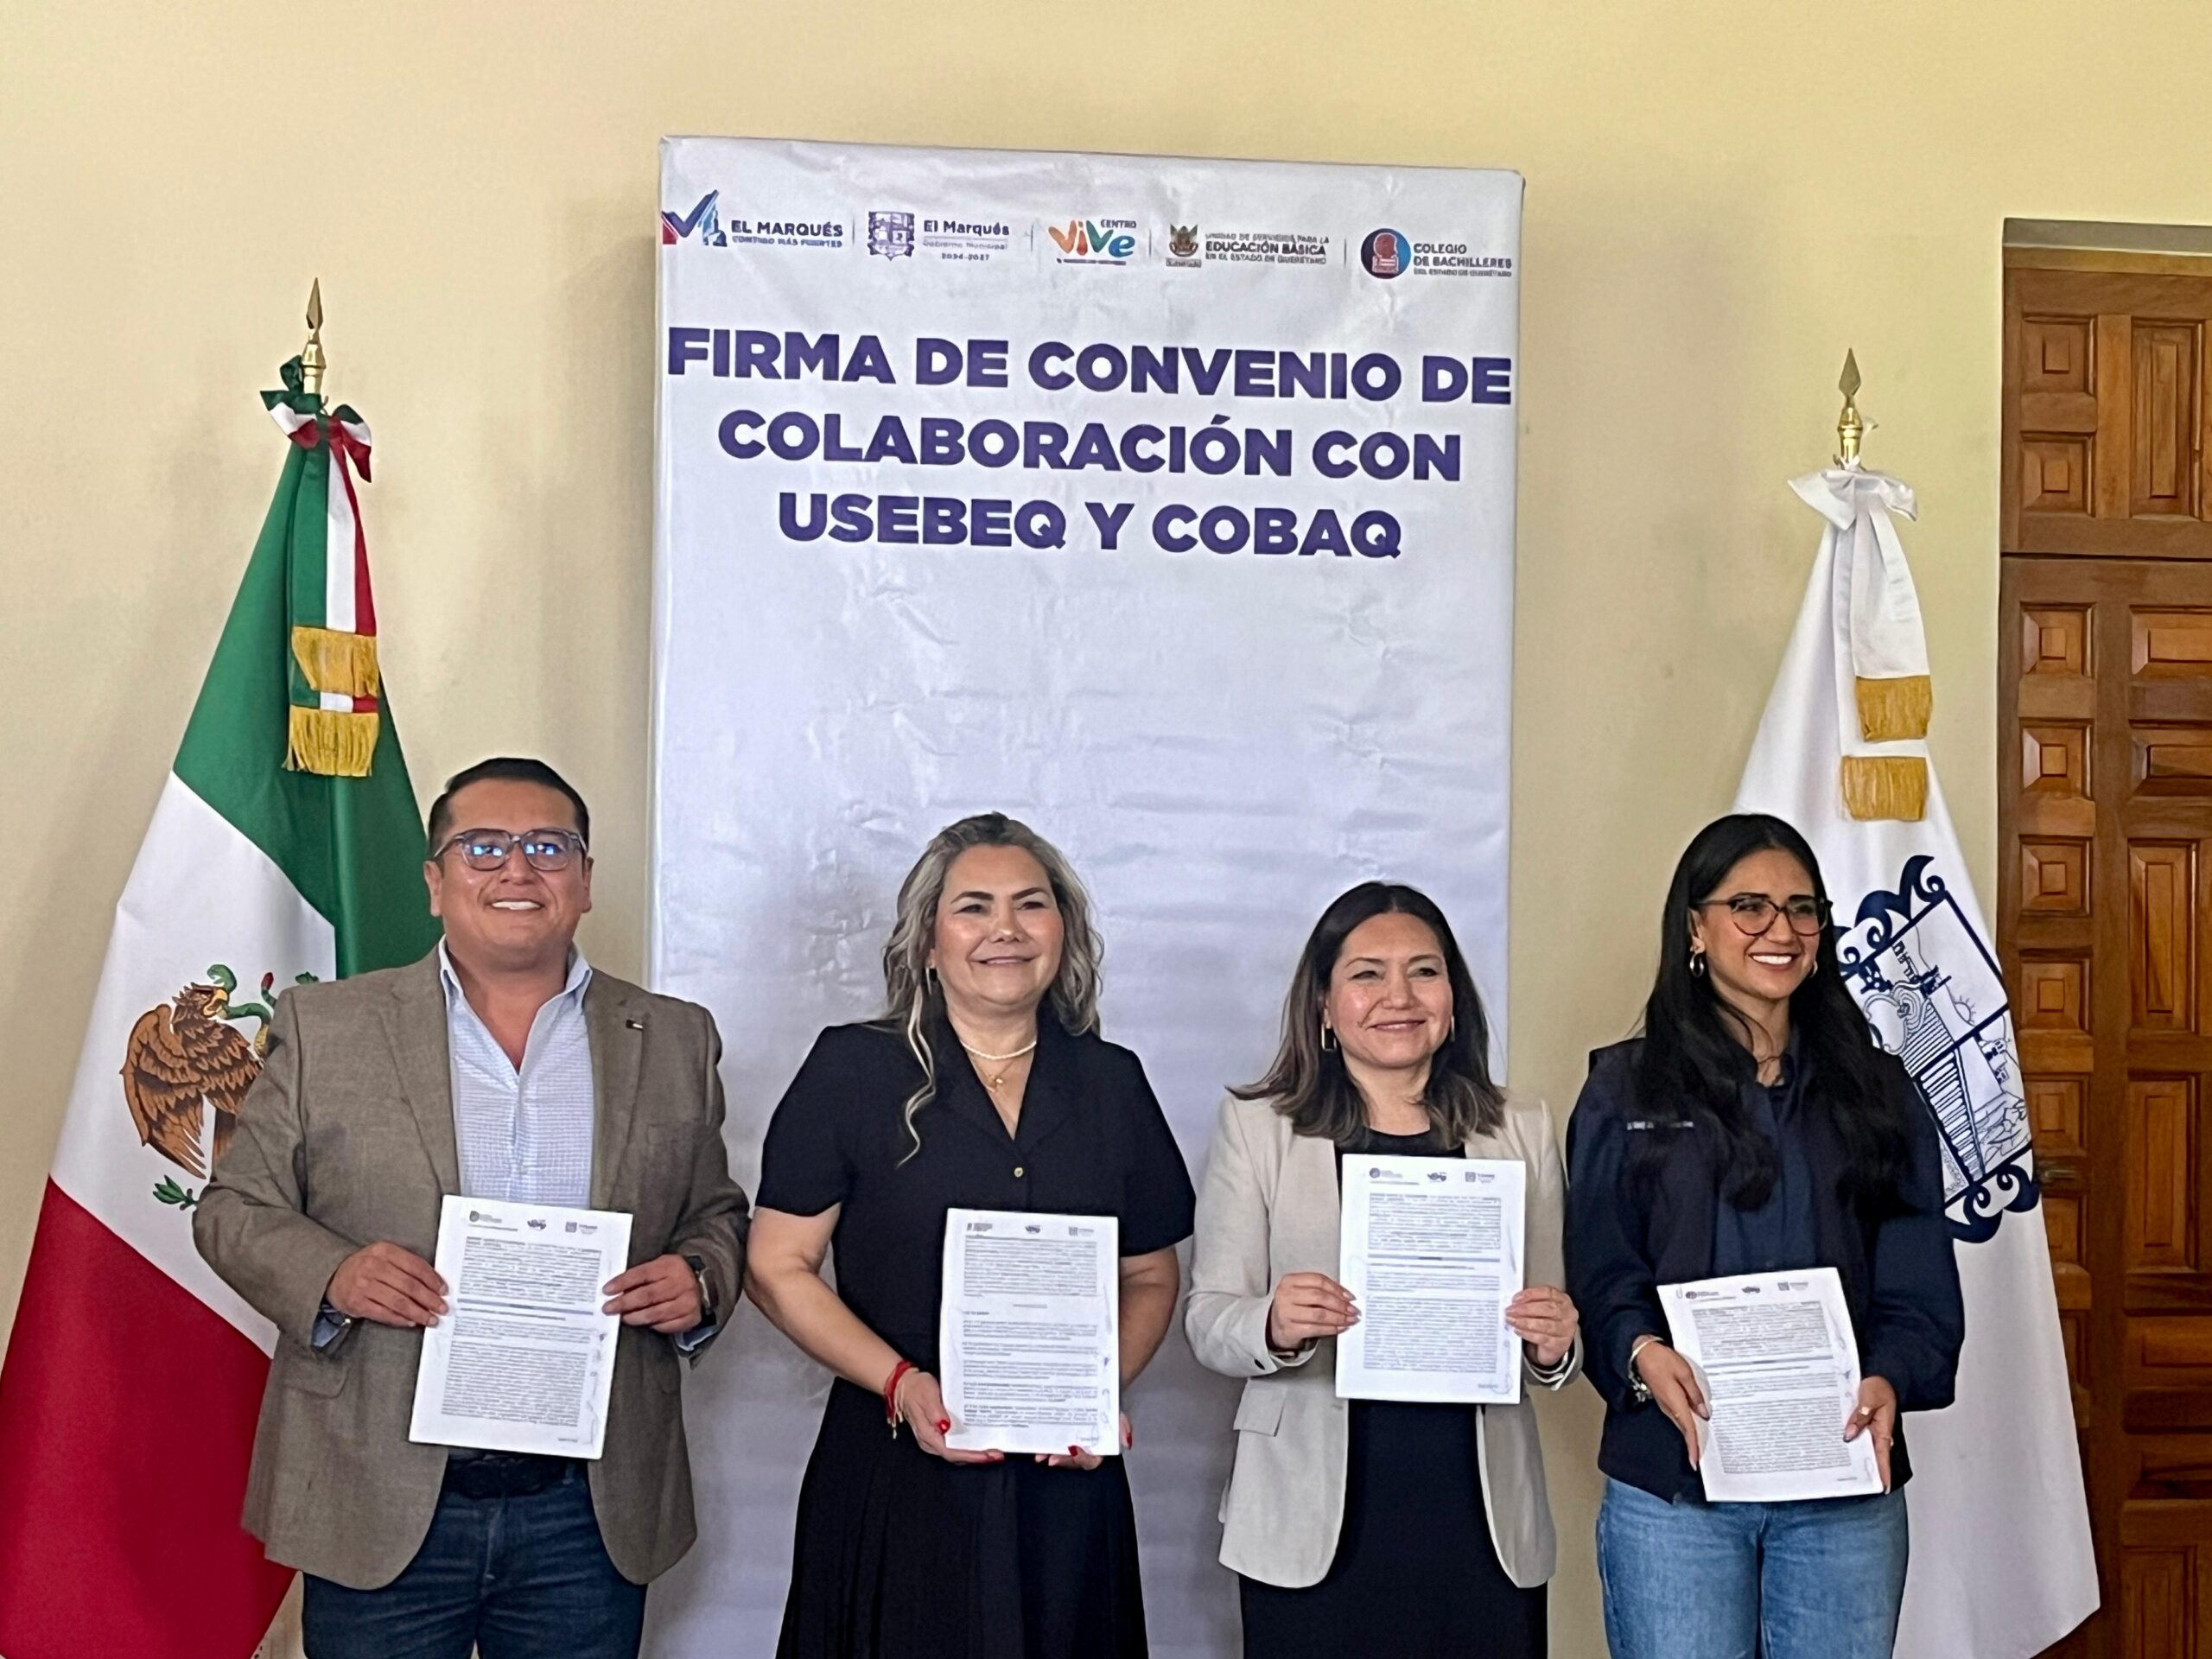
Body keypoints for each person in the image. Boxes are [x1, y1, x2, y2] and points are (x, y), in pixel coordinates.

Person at [194, 757, 749, 1659]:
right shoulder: (326, 1026)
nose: (517, 869)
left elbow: (715, 1212)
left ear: (585, 880)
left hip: (589, 1504)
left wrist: (700, 1278)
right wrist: (334, 1274)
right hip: (378, 1486)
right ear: (434, 881)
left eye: (549, 848)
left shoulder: (675, 1036)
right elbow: (233, 1209)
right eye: (483, 847)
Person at [747, 812, 1194, 1659]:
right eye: (973, 907)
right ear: (927, 940)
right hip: (896, 1471)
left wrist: (1095, 1392)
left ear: (1063, 930)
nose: (1005, 929)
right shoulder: (852, 1070)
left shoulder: (1113, 1084)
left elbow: (1150, 1276)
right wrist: (901, 1385)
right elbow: (776, 1266)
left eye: (1030, 904)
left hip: (1066, 1488)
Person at [1565, 812, 1963, 1659]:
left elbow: (1918, 1283)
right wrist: (1640, 1352)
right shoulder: (1624, 1090)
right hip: (1675, 1486)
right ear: (1694, 928)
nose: (1780, 930)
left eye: (1801, 908)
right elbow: (1601, 1271)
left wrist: (1890, 1374)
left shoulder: (1880, 1092)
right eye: (1748, 906)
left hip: (1841, 1485)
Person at [1185, 881, 1580, 1659]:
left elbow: (1552, 1325)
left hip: (1480, 1514)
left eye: (1424, 972)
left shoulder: (1520, 1127)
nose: (1399, 996)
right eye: (1367, 974)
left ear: (1454, 1000)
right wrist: (1272, 1323)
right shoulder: (1259, 1127)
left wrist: (1555, 1343)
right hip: (1310, 1515)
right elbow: (1208, 1319)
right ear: (1324, 1006)